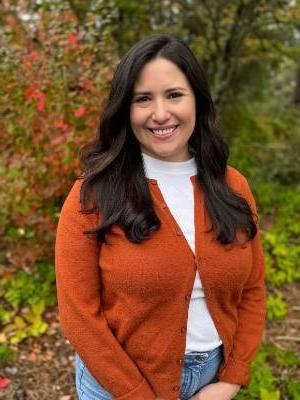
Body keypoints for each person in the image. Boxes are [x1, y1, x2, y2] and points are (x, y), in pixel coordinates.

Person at [55, 34, 266, 400]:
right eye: (143, 99)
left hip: (211, 384)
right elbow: (78, 316)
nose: (161, 113)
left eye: (173, 94)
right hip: (116, 387)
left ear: (197, 99)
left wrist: (232, 378)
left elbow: (252, 289)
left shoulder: (233, 186)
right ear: (125, 109)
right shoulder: (93, 194)